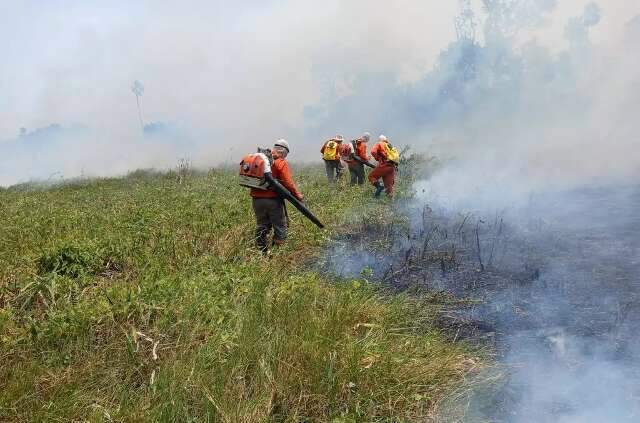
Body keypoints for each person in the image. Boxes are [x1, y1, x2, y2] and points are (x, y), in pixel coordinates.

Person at [250, 139, 303, 252]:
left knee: (262, 225)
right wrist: (297, 195)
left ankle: (261, 252)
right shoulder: (280, 162)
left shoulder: (261, 159)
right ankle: (277, 254)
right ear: (283, 152)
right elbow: (288, 182)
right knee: (279, 227)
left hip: (256, 200)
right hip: (272, 200)